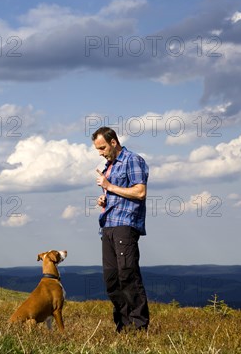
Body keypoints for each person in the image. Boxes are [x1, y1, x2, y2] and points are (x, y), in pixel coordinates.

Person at [92, 126, 150, 332]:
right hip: (107, 225)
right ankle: (123, 325)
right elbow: (117, 193)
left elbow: (140, 192)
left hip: (125, 225)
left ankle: (139, 327)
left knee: (128, 275)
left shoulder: (132, 160)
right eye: (97, 149)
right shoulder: (110, 166)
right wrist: (105, 199)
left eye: (102, 148)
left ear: (113, 142)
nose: (100, 152)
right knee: (111, 279)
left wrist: (109, 187)